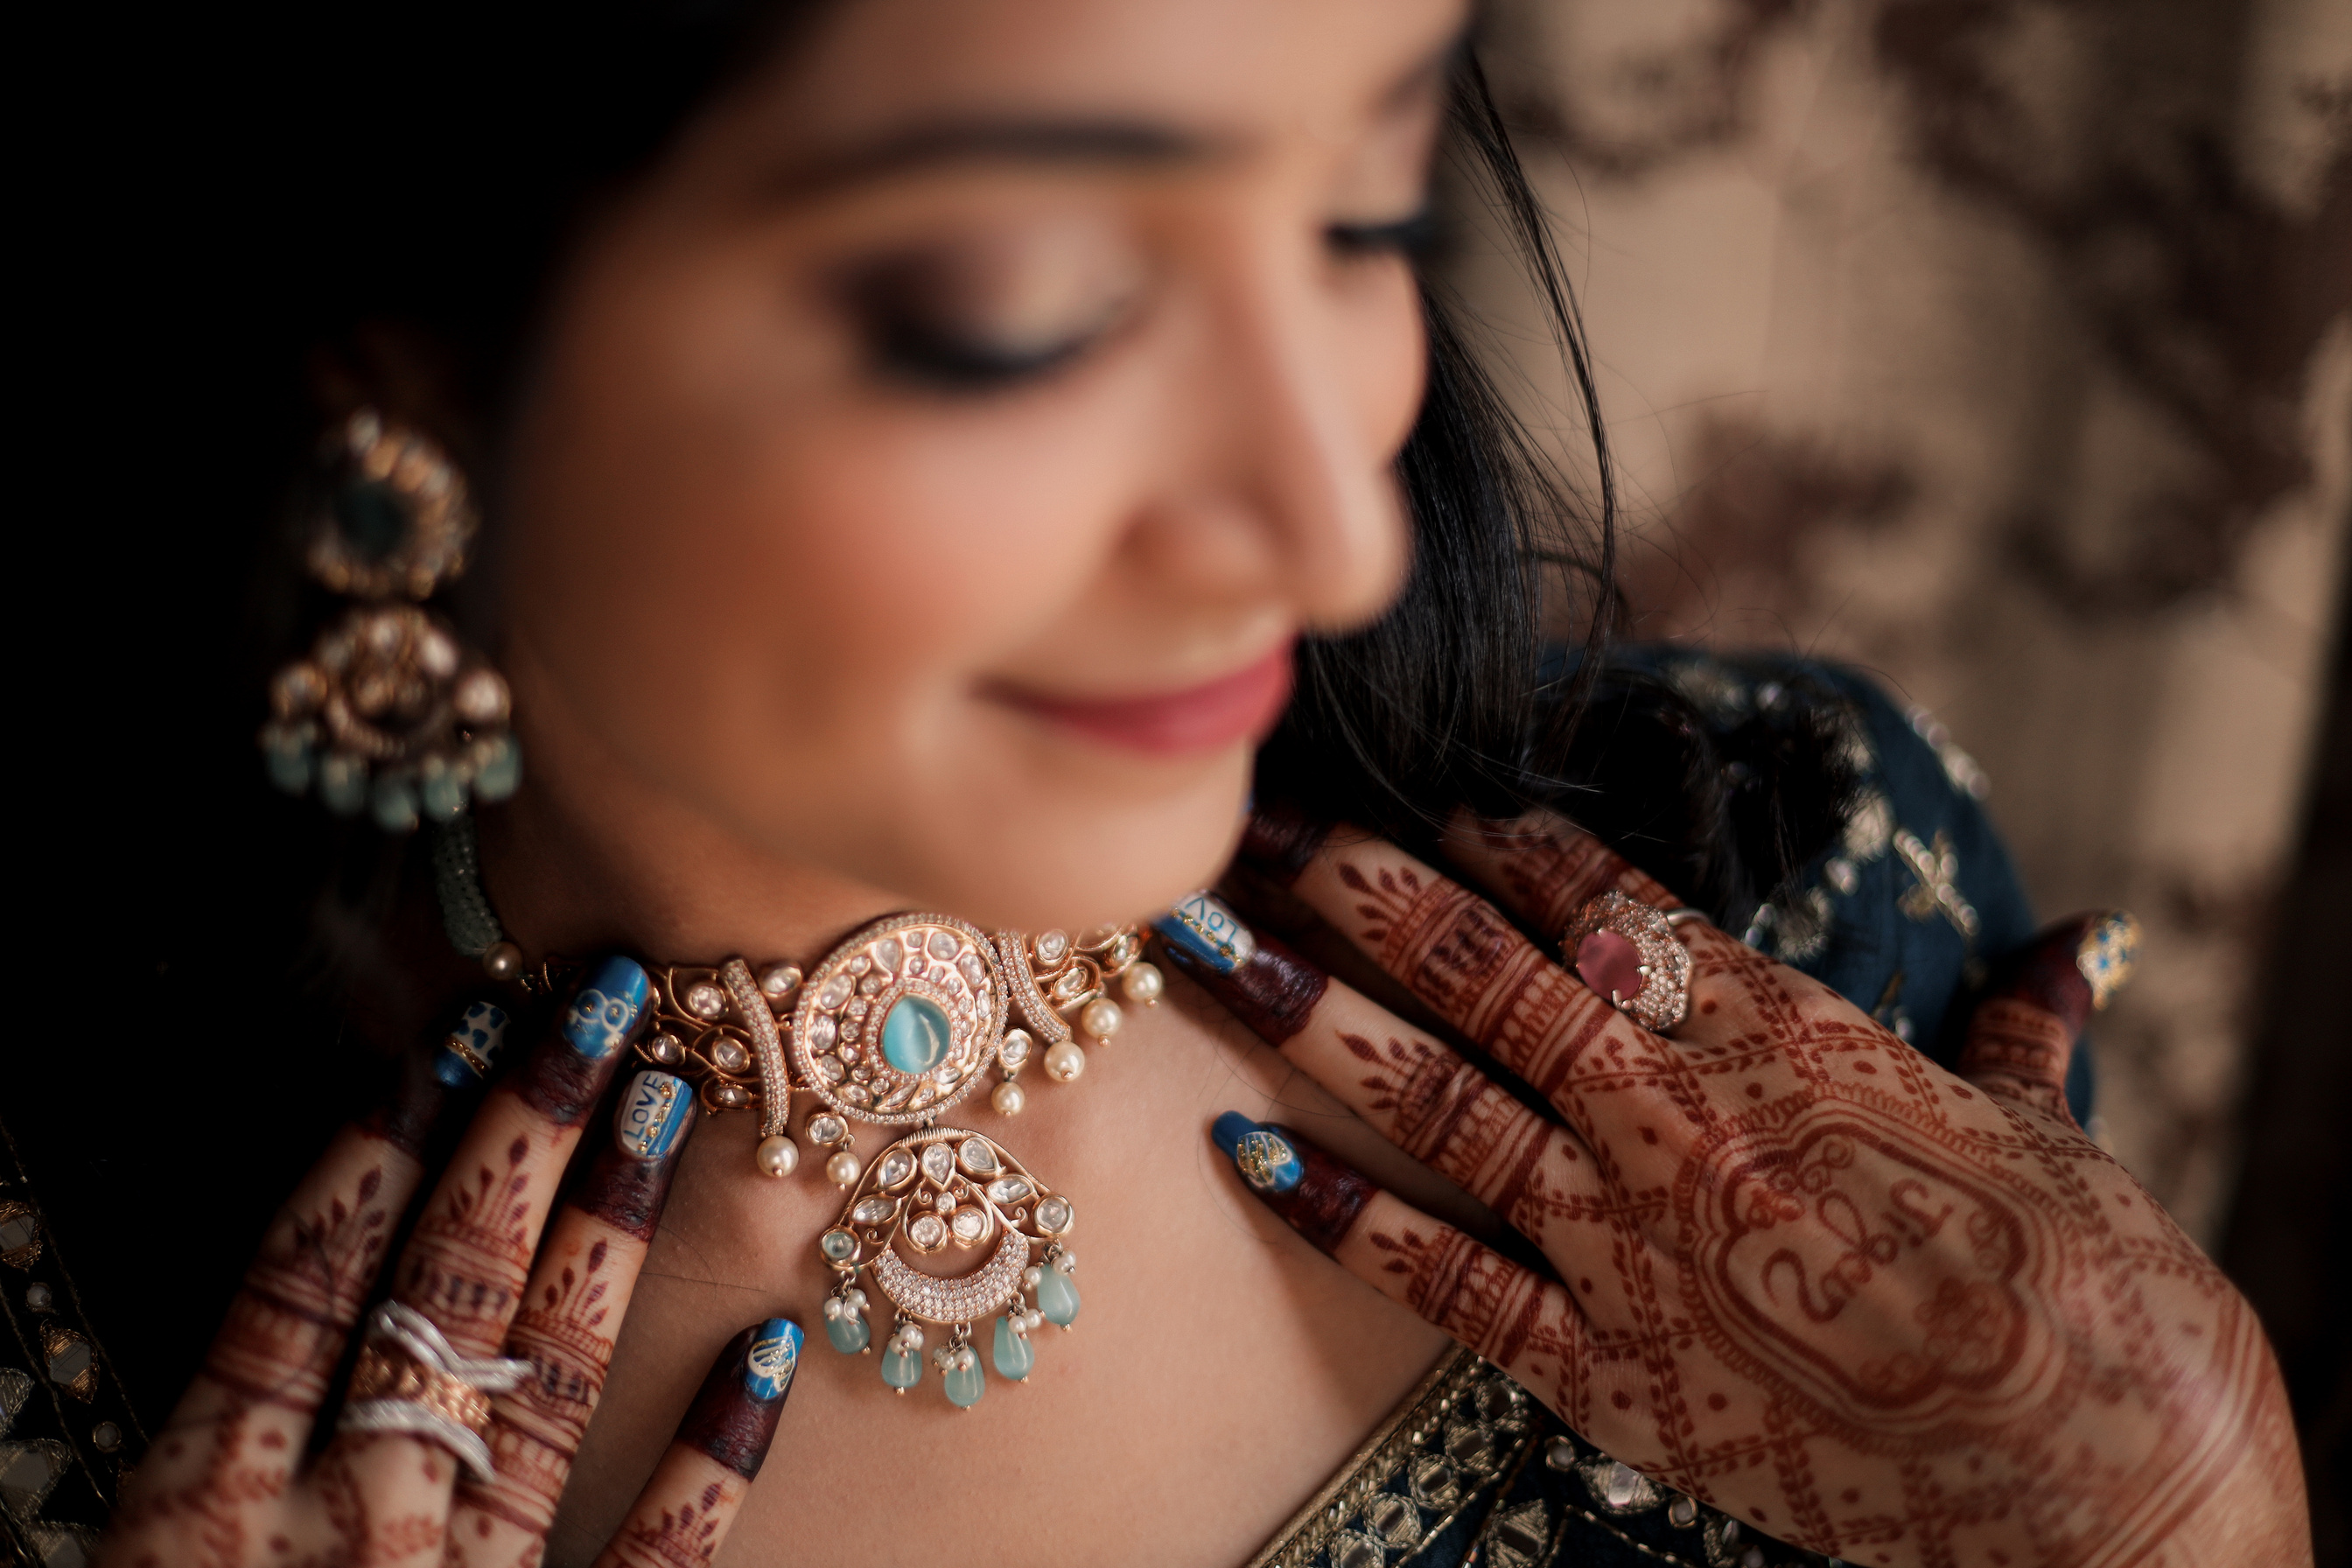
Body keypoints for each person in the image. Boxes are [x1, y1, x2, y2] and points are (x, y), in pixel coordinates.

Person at [41, 1, 2306, 1564]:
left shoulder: (1779, 913)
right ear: (407, 345)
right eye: (1029, 310)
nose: (1331, 528)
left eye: (1362, 220)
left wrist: (2189, 1527)